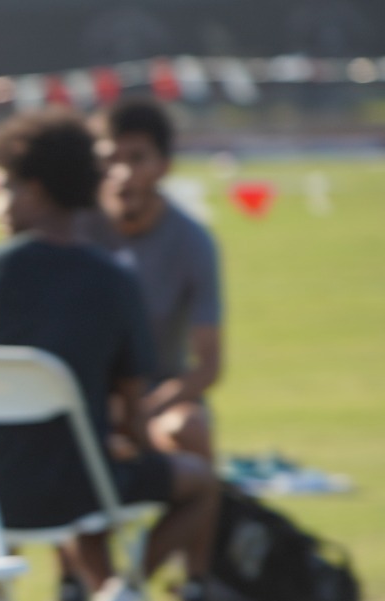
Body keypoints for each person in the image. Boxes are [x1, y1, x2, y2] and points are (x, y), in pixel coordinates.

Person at [0, 111, 221, 601]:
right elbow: (130, 407)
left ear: (34, 190)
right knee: (196, 481)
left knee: (77, 465)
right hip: (74, 488)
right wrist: (133, 447)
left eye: (2, 188)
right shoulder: (112, 280)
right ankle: (121, 596)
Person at [89, 97, 224, 463]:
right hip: (90, 398)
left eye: (136, 159)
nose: (121, 173)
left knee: (187, 430)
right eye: (110, 159)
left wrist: (146, 408)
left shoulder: (192, 240)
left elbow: (209, 365)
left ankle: (204, 515)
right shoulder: (75, 232)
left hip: (158, 396)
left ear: (164, 166)